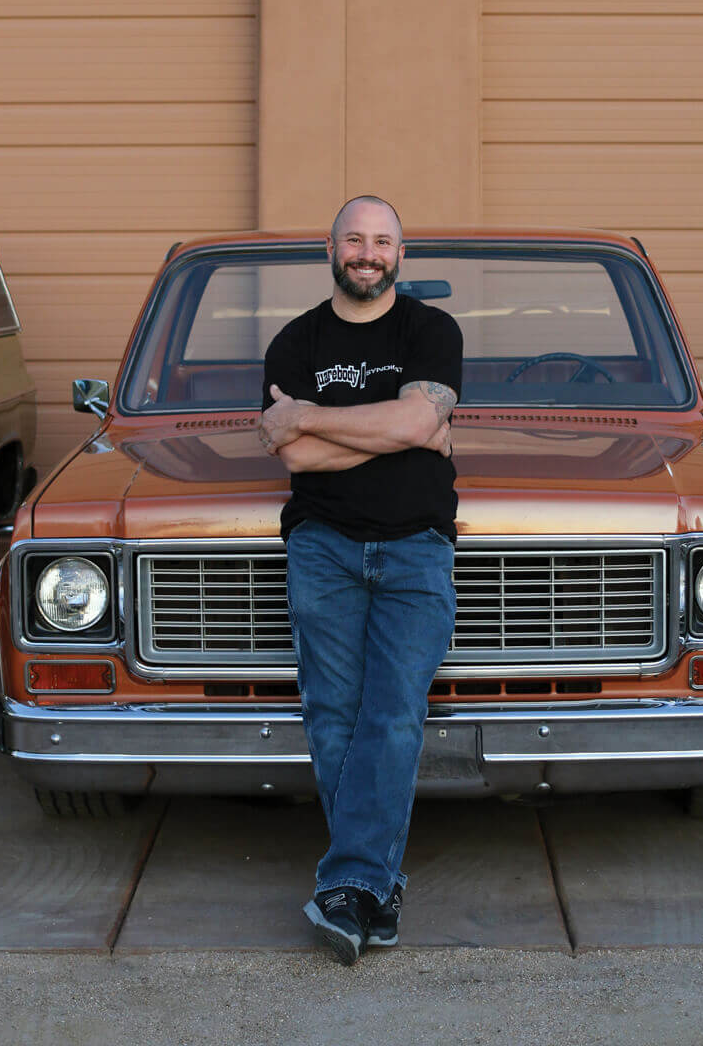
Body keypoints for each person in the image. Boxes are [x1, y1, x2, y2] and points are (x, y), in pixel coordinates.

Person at [258, 195, 463, 964]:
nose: (367, 252)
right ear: (332, 248)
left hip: (416, 548)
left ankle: (350, 883)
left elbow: (414, 422)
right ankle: (370, 888)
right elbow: (298, 458)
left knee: (395, 713)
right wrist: (405, 433)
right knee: (333, 714)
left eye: (382, 241)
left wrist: (314, 415)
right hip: (322, 547)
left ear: (400, 254)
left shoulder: (429, 330)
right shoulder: (294, 340)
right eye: (355, 239)